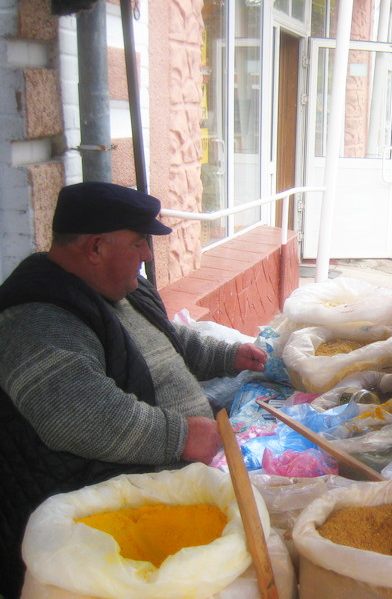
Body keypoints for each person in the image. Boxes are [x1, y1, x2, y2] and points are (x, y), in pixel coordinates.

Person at [0, 182, 268, 598]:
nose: (147, 254)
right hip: (107, 509)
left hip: (182, 466)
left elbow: (164, 340)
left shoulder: (119, 284)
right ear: (95, 248)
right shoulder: (35, 317)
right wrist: (181, 437)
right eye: (139, 242)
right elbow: (79, 416)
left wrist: (226, 356)